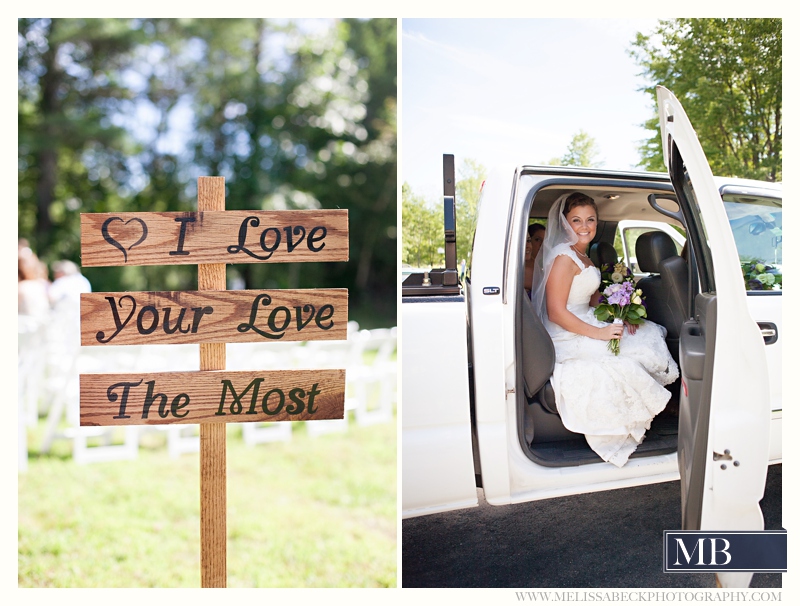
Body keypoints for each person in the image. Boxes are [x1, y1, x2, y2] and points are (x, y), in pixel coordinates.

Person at [530, 192, 678, 467]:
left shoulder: (582, 254)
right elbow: (556, 312)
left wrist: (620, 309)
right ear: (564, 223)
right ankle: (651, 412)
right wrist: (598, 333)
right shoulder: (563, 257)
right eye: (576, 220)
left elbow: (592, 296)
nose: (584, 226)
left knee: (644, 332)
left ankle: (663, 409)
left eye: (590, 220)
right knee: (625, 357)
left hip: (585, 316)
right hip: (567, 331)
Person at [524, 223, 545, 296]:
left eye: (528, 241)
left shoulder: (537, 266)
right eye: (538, 240)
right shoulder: (526, 271)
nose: (542, 244)